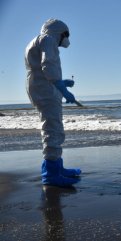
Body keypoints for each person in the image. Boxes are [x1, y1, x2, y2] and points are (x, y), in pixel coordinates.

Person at [25, 19, 81, 187]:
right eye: (66, 34)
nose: (66, 39)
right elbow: (48, 66)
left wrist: (61, 82)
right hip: (45, 90)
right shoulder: (48, 40)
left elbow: (40, 69)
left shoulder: (39, 40)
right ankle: (51, 174)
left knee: (54, 127)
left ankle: (57, 168)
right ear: (59, 32)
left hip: (42, 87)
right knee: (52, 128)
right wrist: (63, 89)